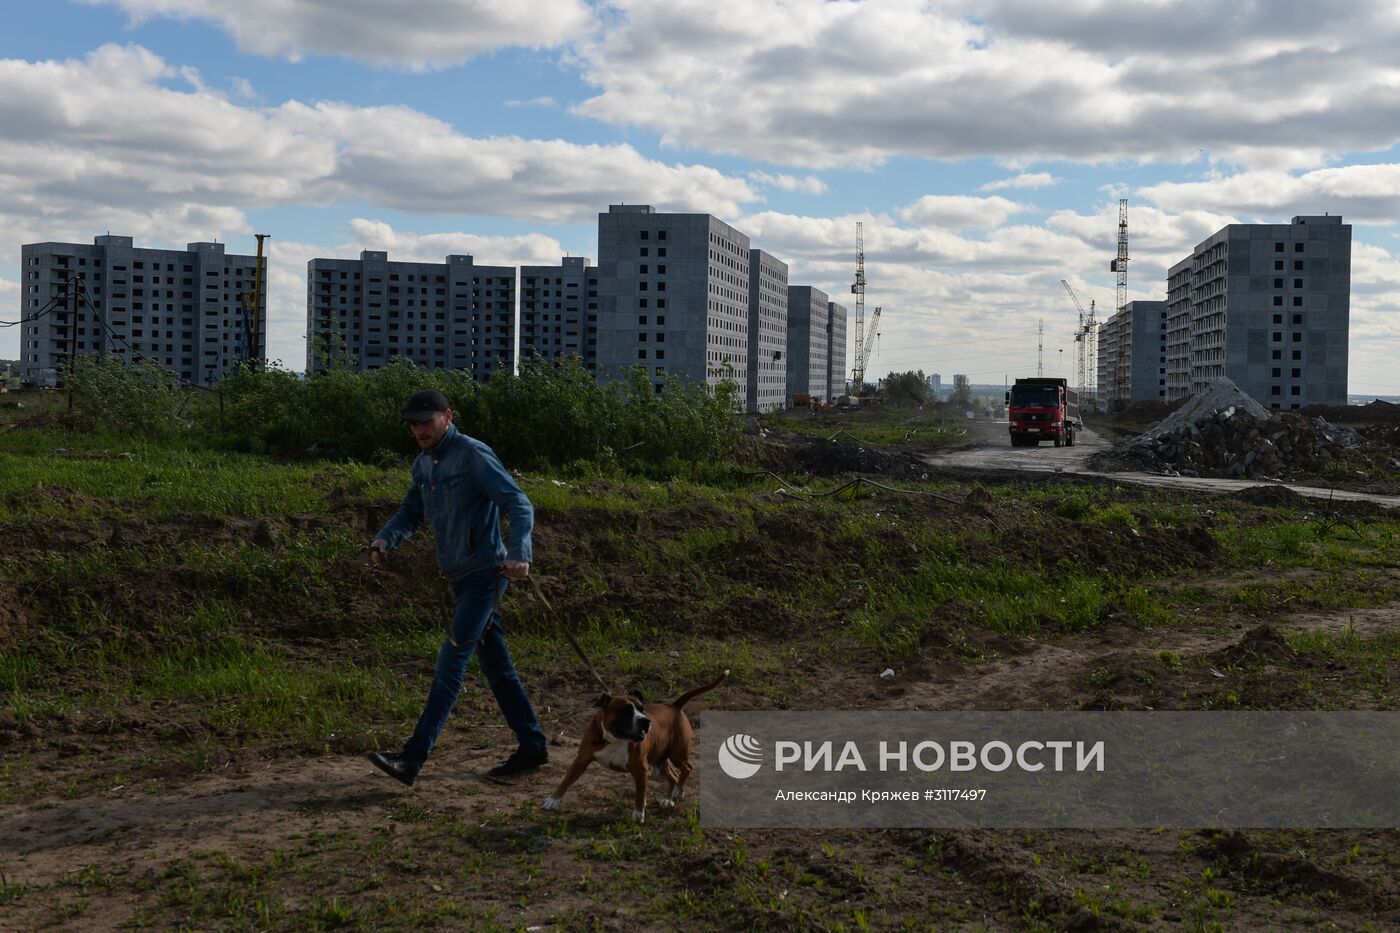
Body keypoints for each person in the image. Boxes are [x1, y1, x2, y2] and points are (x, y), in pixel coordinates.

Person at [365, 388, 549, 785]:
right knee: (497, 666)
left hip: (486, 576)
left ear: (447, 416)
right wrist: (384, 538)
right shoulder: (424, 464)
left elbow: (518, 503)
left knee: (450, 663)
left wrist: (520, 553)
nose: (418, 430)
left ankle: (412, 759)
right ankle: (533, 744)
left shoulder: (472, 454)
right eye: (413, 424)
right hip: (459, 579)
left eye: (425, 422)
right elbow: (411, 512)